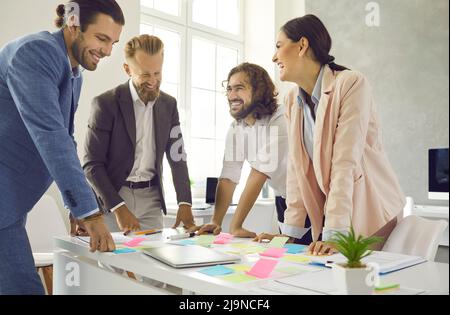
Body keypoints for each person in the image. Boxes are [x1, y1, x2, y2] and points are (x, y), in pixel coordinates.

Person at [0, 0, 125, 294]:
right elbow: (50, 134)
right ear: (73, 23)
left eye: (113, 43)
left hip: (12, 206)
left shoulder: (73, 70)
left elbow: (65, 139)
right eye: (101, 38)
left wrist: (75, 205)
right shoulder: (35, 53)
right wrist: (90, 214)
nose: (107, 51)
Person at [254, 15, 405, 255]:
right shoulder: (292, 100)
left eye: (279, 46)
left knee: (356, 289)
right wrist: (289, 234)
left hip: (371, 212)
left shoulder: (351, 84)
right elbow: (297, 171)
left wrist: (334, 235)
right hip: (338, 220)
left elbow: (345, 164)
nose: (274, 57)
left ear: (302, 45)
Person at [83, 35, 196, 234]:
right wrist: (118, 207)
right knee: (113, 262)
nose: (153, 81)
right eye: (145, 74)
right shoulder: (105, 104)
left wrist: (185, 202)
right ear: (127, 69)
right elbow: (92, 164)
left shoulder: (169, 105)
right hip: (113, 196)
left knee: (150, 262)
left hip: (151, 198)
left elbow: (177, 157)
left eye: (157, 73)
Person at [197, 63, 288, 238]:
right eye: (229, 89)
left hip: (310, 200)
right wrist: (216, 221)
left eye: (239, 88)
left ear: (259, 91)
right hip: (283, 200)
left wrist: (235, 225)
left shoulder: (280, 118)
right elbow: (229, 176)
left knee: (313, 256)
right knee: (288, 256)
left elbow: (260, 172)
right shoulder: (236, 128)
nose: (231, 95)